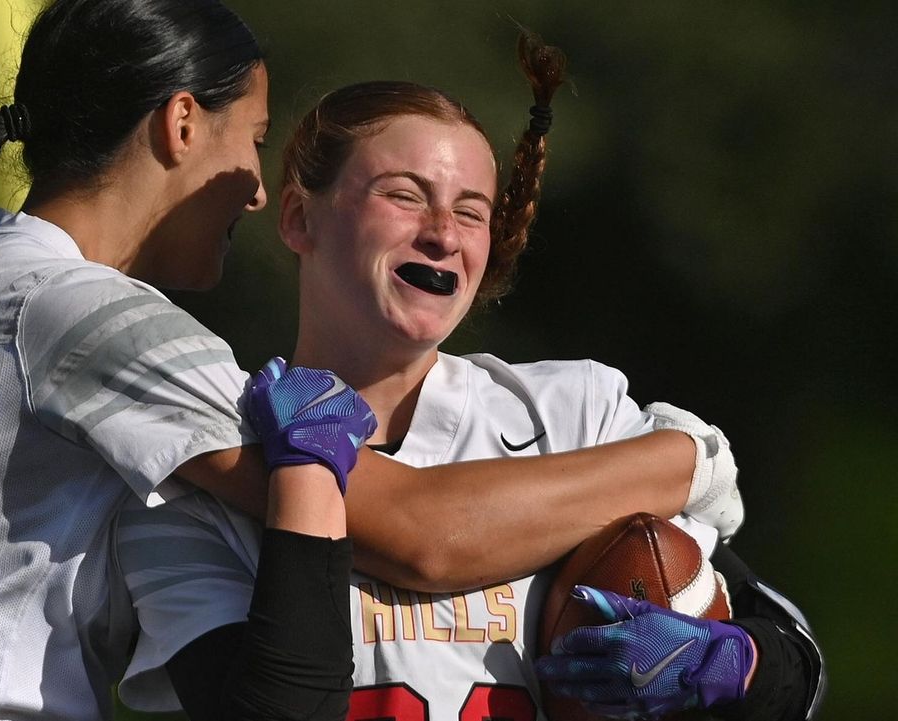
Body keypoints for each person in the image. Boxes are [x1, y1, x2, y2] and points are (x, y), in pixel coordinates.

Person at [0, 2, 745, 718]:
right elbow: (419, 531)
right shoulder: (82, 313)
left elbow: (774, 647)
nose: (250, 187)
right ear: (181, 125)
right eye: (253, 141)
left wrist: (746, 661)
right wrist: (688, 457)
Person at [113, 33, 825, 721]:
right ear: (300, 217)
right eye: (404, 195)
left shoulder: (573, 414)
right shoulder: (200, 458)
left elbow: (794, 664)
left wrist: (734, 665)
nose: (444, 234)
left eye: (471, 212)